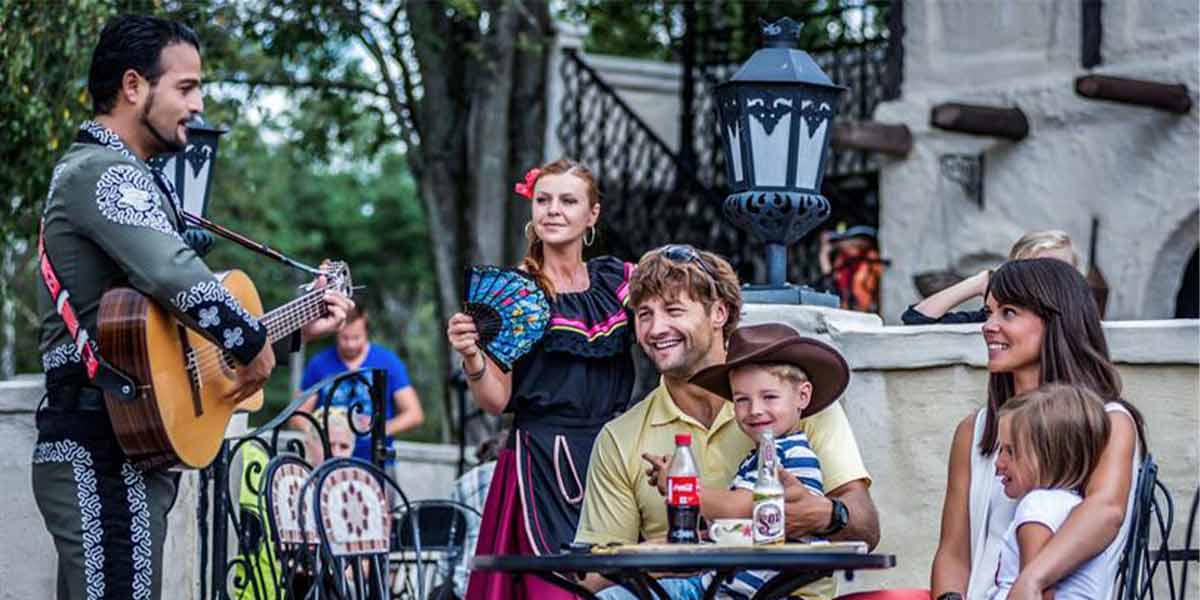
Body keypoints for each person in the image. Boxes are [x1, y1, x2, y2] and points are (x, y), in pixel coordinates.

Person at [30, 15, 350, 600]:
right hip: (98, 444)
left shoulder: (132, 178)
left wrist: (291, 330)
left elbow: (177, 342)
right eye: (186, 87)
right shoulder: (101, 172)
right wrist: (249, 343)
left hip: (122, 445)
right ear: (133, 86)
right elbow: (175, 276)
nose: (199, 106)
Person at [576, 245, 879, 600]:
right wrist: (662, 557)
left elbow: (867, 529)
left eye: (673, 310)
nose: (656, 328)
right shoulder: (619, 438)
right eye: (644, 314)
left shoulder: (797, 407)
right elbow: (590, 579)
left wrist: (824, 515)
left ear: (719, 312)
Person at [852, 258, 1145, 600]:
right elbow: (954, 553)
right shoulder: (974, 431)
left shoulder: (1109, 421)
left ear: (1056, 320)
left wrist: (1031, 580)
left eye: (1008, 313)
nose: (988, 326)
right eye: (988, 312)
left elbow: (1105, 510)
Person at [445, 159, 637, 600]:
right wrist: (471, 355)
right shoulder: (513, 293)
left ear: (591, 214)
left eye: (568, 201)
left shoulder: (616, 281)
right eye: (543, 200)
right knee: (551, 589)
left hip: (614, 455)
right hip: (541, 462)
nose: (553, 210)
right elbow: (496, 400)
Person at [638, 323, 851, 599]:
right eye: (741, 400)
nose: (755, 410)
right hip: (724, 587)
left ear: (803, 396)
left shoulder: (787, 454)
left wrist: (679, 487)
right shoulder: (763, 454)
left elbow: (739, 508)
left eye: (769, 397)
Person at [991, 384, 1115, 600]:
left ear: (1050, 455)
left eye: (1011, 451)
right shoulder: (1071, 508)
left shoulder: (1038, 506)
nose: (999, 463)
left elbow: (1037, 593)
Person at [297, 307, 424, 463]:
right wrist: (323, 433)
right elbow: (298, 415)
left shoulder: (388, 362)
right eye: (345, 338)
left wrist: (378, 429)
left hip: (377, 462)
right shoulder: (319, 364)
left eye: (356, 337)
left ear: (366, 331)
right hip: (329, 461)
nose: (350, 344)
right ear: (336, 332)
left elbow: (414, 414)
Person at [901, 230, 1079, 325]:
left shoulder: (1081, 318)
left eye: (1062, 269)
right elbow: (917, 317)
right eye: (1041, 268)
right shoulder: (998, 321)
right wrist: (981, 281)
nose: (1053, 277)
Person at [819, 226, 886, 313]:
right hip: (847, 311)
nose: (841, 244)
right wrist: (824, 255)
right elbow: (830, 279)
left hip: (868, 312)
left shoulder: (871, 257)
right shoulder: (842, 259)